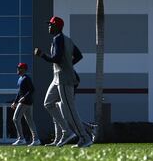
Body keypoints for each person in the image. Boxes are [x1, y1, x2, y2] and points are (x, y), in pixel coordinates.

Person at [35, 16, 92, 148]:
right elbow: (79, 55)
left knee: (70, 110)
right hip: (57, 78)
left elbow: (56, 58)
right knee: (48, 103)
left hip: (64, 78)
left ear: (56, 26)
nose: (49, 26)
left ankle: (85, 137)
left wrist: (42, 55)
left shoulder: (58, 39)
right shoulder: (67, 40)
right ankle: (66, 132)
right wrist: (69, 65)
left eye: (50, 24)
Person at [11, 63, 39, 146]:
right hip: (25, 102)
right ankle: (36, 140)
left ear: (23, 69)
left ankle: (21, 139)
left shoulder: (27, 78)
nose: (17, 69)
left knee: (15, 119)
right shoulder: (20, 79)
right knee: (30, 121)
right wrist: (14, 102)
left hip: (25, 102)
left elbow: (32, 89)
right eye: (18, 67)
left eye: (19, 68)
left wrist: (24, 97)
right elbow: (19, 92)